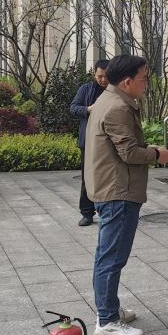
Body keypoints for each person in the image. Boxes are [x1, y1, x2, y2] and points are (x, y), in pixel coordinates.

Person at [86, 55, 168, 335]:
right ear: (126, 82)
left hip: (111, 187)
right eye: (143, 78)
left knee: (107, 255)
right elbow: (129, 153)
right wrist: (157, 154)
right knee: (112, 258)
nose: (146, 84)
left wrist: (147, 148)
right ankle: (107, 321)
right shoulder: (118, 107)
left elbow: (123, 146)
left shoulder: (109, 100)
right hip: (118, 192)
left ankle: (108, 309)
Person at [70, 59, 109, 226]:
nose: (103, 79)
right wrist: (88, 109)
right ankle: (87, 213)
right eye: (100, 76)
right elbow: (73, 107)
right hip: (89, 141)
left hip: (110, 141)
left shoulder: (116, 90)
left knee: (109, 178)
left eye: (106, 76)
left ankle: (107, 211)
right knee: (88, 177)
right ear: (94, 74)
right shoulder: (86, 89)